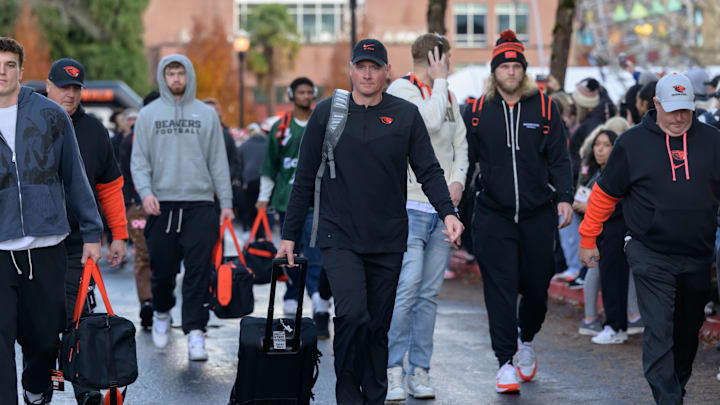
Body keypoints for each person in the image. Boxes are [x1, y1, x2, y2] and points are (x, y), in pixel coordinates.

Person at [276, 38, 463, 404]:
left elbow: (428, 169)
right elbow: (304, 178)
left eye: (374, 67)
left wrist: (449, 213)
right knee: (351, 315)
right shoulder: (327, 113)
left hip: (388, 238)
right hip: (339, 235)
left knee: (378, 325)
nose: (366, 72)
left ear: (386, 72)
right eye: (361, 66)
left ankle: (374, 394)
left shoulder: (404, 115)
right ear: (350, 70)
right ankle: (347, 394)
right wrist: (288, 237)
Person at [579, 73, 719, 404]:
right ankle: (668, 400)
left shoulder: (713, 141)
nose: (679, 117)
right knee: (659, 329)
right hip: (650, 253)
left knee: (687, 331)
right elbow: (603, 194)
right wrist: (588, 238)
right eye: (672, 110)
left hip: (697, 255)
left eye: (685, 110)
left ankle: (675, 390)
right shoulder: (632, 143)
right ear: (656, 105)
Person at [462, 30, 574, 394]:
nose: (510, 72)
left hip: (537, 214)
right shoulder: (476, 112)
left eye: (515, 66)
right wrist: (456, 212)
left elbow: (559, 158)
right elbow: (464, 164)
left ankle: (527, 339)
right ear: (494, 72)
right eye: (504, 66)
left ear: (523, 71)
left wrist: (565, 197)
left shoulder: (544, 107)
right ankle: (505, 362)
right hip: (493, 215)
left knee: (536, 288)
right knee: (500, 290)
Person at [0, 37, 103, 405]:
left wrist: (92, 232)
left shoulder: (51, 115)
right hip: (0, 251)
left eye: (10, 64)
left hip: (46, 248)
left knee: (45, 340)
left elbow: (75, 177)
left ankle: (37, 386)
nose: (2, 71)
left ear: (22, 71)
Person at [131, 54, 234, 361]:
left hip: (200, 204)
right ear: (163, 78)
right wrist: (146, 192)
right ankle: (162, 311)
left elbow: (219, 162)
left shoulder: (206, 114)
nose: (176, 79)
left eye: (180, 73)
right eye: (170, 73)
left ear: (189, 75)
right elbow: (139, 161)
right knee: (162, 271)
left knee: (199, 272)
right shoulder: (149, 115)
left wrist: (226, 203)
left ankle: (196, 333)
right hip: (161, 205)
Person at [383, 33, 468, 401]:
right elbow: (429, 125)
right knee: (406, 292)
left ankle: (421, 370)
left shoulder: (445, 93)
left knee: (428, 295)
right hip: (410, 207)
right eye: (446, 58)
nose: (449, 64)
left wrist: (458, 181)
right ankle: (393, 370)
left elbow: (460, 144)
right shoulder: (401, 91)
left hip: (442, 212)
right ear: (437, 57)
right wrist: (442, 81)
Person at [45, 58, 129, 405]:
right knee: (39, 323)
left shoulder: (95, 130)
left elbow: (109, 187)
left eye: (76, 88)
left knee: (74, 317)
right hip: (33, 242)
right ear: (48, 87)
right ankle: (39, 384)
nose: (70, 94)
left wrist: (119, 234)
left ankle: (86, 390)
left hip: (80, 244)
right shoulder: (30, 121)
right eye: (63, 87)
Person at [256, 77, 331, 334]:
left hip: (316, 202)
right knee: (291, 253)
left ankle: (320, 303)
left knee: (314, 253)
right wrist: (263, 198)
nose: (306, 96)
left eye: (310, 92)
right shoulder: (281, 128)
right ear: (291, 94)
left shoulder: (322, 123)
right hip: (286, 201)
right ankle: (292, 295)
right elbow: (269, 166)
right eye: (301, 92)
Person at [120, 90, 160, 332]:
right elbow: (123, 174)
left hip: (168, 206)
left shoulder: (174, 138)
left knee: (165, 257)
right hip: (138, 209)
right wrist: (129, 204)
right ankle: (147, 302)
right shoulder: (131, 140)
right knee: (143, 254)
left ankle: (161, 302)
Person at [236, 122, 265, 231]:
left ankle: (247, 231)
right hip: (265, 179)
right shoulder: (267, 144)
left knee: (248, 208)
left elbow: (239, 164)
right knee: (262, 209)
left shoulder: (244, 145)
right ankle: (261, 234)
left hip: (249, 180)